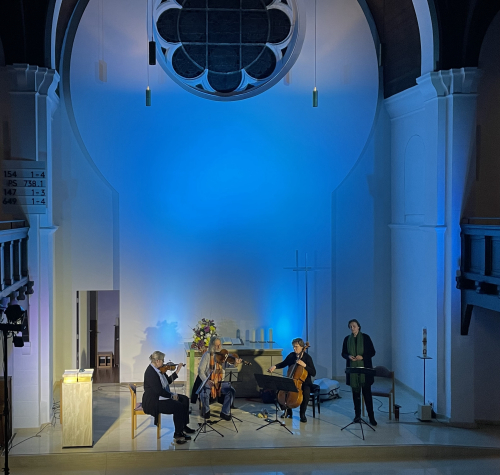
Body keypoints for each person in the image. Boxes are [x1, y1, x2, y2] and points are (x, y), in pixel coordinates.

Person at [142, 351, 196, 444]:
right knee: (178, 406)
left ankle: (183, 426)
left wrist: (177, 371)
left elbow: (167, 381)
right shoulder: (150, 373)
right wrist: (171, 396)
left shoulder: (159, 370)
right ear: (157, 361)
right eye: (162, 360)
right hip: (154, 401)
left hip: (161, 396)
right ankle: (178, 434)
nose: (164, 362)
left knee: (185, 399)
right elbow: (159, 391)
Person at [268, 337, 316, 423]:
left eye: (296, 346)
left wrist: (304, 365)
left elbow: (313, 372)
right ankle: (287, 411)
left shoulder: (307, 358)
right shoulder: (291, 356)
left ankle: (302, 414)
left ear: (302, 347)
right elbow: (283, 363)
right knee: (279, 392)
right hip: (291, 380)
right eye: (293, 346)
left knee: (306, 393)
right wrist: (274, 366)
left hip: (305, 382)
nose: (294, 348)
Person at [341, 319, 377, 426]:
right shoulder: (347, 339)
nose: (352, 328)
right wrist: (348, 356)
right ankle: (357, 416)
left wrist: (363, 357)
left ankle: (371, 417)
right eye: (350, 327)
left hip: (365, 371)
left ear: (359, 327)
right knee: (356, 395)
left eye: (354, 326)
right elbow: (343, 353)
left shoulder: (366, 338)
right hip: (353, 371)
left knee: (367, 395)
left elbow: (372, 352)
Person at [198, 336, 242, 420]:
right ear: (211, 346)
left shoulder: (224, 355)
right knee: (203, 393)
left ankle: (225, 412)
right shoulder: (207, 355)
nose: (219, 347)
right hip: (209, 380)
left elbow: (230, 367)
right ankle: (206, 411)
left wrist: (236, 363)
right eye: (216, 345)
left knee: (231, 391)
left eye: (220, 345)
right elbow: (201, 371)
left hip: (221, 381)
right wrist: (206, 381)